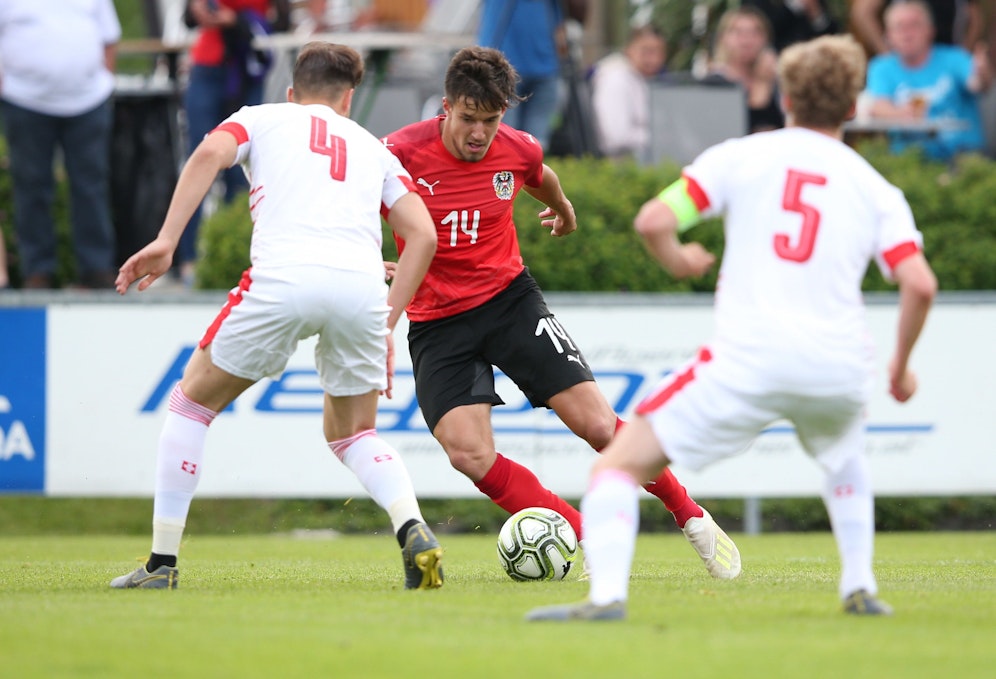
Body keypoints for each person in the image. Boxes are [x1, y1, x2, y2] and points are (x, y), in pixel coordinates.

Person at [526, 34, 938, 622]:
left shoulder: (742, 156)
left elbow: (653, 219)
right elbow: (919, 284)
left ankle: (606, 600)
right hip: (839, 366)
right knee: (845, 460)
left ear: (786, 98)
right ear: (852, 108)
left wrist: (678, 257)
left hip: (750, 358)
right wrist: (899, 368)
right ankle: (860, 586)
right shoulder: (875, 188)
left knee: (617, 465)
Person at [380, 46, 741, 580]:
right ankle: (589, 537)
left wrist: (565, 210)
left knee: (597, 422)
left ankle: (691, 517)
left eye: (491, 119)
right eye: (468, 119)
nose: (479, 133)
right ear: (446, 106)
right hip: (437, 320)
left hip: (509, 302)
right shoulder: (397, 152)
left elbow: (540, 176)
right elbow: (350, 207)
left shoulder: (517, 148)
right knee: (468, 454)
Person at [109, 42, 443, 591]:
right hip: (361, 288)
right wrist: (386, 321)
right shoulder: (371, 147)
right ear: (348, 99)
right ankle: (412, 525)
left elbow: (206, 156)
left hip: (284, 277)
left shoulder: (259, 119)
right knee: (353, 434)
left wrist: (168, 241)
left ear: (292, 93)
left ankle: (161, 565)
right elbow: (423, 235)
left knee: (191, 404)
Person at [0, 0, 120, 289]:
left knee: (91, 186)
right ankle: (37, 272)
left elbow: (109, 39)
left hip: (88, 101)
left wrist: (105, 82)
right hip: (24, 100)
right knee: (31, 187)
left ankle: (97, 271)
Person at [176, 0, 291, 287]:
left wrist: (236, 20)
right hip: (209, 65)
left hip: (246, 69)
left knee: (243, 168)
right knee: (199, 161)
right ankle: (187, 258)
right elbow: (188, 18)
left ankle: (237, 257)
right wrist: (199, 11)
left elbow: (282, 21)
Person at [865, 0, 992, 161]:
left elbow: (977, 83)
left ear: (930, 30)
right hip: (909, 161)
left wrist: (982, 73)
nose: (907, 33)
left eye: (914, 25)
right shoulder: (881, 67)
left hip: (961, 158)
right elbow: (877, 106)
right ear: (888, 35)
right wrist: (901, 113)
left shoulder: (955, 58)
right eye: (899, 27)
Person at [476, 0, 568, 151]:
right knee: (505, 144)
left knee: (536, 148)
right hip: (502, 70)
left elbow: (563, 26)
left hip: (545, 69)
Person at [702, 5, 785, 133]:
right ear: (723, 38)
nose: (746, 41)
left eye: (755, 33)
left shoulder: (776, 80)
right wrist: (761, 85)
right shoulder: (715, 83)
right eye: (738, 33)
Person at [590, 24, 668, 160]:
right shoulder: (615, 80)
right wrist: (663, 137)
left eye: (658, 52)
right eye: (646, 51)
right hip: (621, 165)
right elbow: (616, 137)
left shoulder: (646, 80)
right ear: (629, 49)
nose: (653, 59)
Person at [851, 0, 980, 56]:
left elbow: (976, 20)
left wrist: (964, 53)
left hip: (948, 61)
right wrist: (885, 52)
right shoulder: (886, 69)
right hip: (905, 64)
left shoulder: (957, 62)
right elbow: (862, 12)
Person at [741, 0, 841, 52]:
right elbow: (764, 29)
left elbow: (831, 36)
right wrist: (795, 5)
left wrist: (815, 13)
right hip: (774, 61)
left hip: (810, 60)